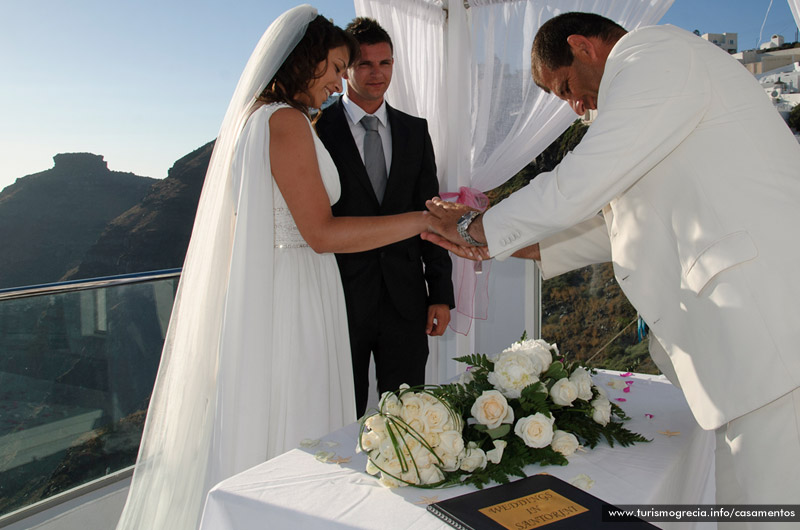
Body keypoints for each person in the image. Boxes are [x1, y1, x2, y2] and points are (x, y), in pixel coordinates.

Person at [425, 11, 800, 518]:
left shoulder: (657, 54)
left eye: (565, 89)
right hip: (747, 353)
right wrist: (508, 239)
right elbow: (617, 225)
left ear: (583, 46)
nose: (576, 106)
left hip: (769, 334)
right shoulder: (652, 97)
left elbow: (581, 180)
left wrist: (474, 230)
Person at [116, 6, 435, 530]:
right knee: (304, 421)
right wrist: (423, 221)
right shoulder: (285, 121)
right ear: (304, 60)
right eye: (334, 68)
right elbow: (322, 233)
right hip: (297, 296)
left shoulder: (256, 120)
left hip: (288, 288)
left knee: (282, 420)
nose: (338, 82)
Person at [316, 17, 454, 417]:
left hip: (406, 302)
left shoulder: (415, 131)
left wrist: (440, 295)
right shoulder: (317, 130)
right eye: (364, 64)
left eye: (385, 63)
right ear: (345, 70)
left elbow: (433, 216)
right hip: (341, 300)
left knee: (409, 413)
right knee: (342, 413)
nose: (377, 74)